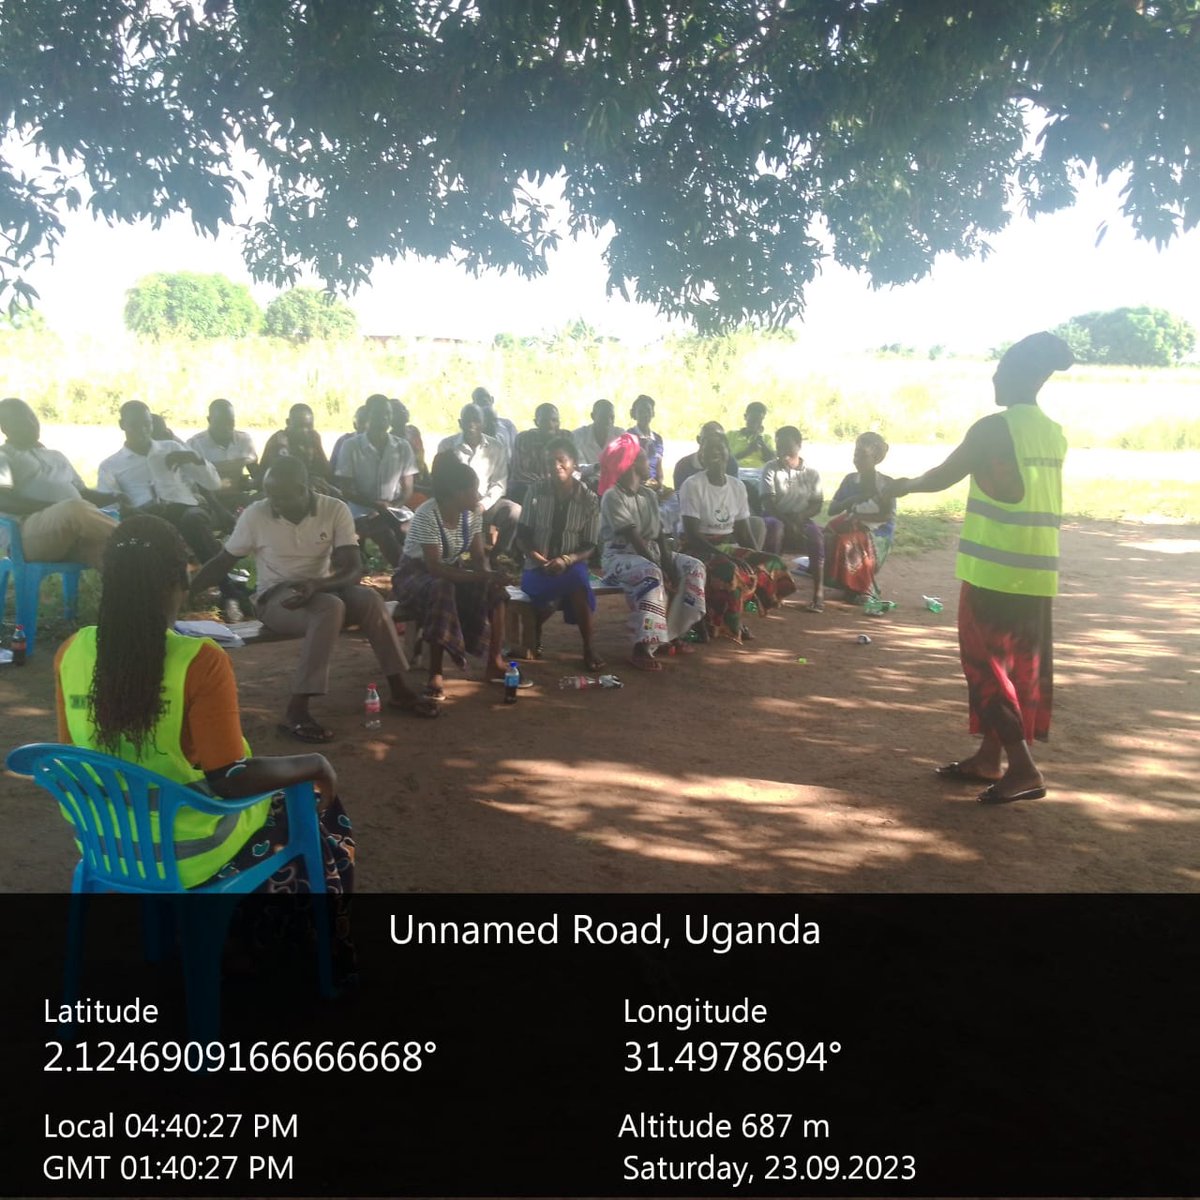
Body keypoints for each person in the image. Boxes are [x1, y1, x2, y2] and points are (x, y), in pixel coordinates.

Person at [53, 514, 354, 898]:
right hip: (190, 857)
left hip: (107, 848)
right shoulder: (198, 660)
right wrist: (313, 764)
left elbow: (71, 756)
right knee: (315, 812)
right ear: (178, 583)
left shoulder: (71, 651)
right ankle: (294, 935)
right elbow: (230, 780)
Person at [885, 331, 1073, 805]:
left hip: (993, 571)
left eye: (1001, 371)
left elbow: (943, 475)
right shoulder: (1053, 433)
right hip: (1035, 572)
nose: (994, 377)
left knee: (985, 669)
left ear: (1024, 376)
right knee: (1014, 670)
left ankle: (1024, 768)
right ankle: (990, 759)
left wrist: (901, 486)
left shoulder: (994, 428)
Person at [190, 457, 438, 742]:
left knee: (369, 599)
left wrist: (317, 584)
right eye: (270, 495)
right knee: (331, 608)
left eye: (281, 496)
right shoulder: (256, 514)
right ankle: (296, 710)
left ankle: (399, 689)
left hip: (321, 589)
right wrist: (188, 589)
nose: (274, 503)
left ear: (303, 489)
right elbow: (224, 561)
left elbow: (352, 569)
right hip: (275, 599)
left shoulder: (333, 509)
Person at [97, 400, 250, 618]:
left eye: (147, 424)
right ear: (122, 425)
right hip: (145, 515)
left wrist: (194, 459)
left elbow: (213, 484)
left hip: (184, 508)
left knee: (193, 519)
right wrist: (129, 507)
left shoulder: (171, 448)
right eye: (135, 425)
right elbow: (110, 506)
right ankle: (223, 592)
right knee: (157, 528)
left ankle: (227, 590)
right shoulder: (111, 465)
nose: (142, 430)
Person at [391, 454, 520, 701]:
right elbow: (435, 568)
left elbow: (479, 557)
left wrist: (488, 577)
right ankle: (435, 673)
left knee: (495, 593)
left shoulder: (471, 515)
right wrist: (479, 576)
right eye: (474, 490)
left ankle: (495, 661)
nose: (478, 496)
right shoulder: (427, 515)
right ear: (456, 493)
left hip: (451, 573)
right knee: (443, 588)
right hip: (415, 575)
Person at [598, 434, 706, 670]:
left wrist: (669, 565)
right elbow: (634, 539)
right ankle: (642, 646)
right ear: (632, 464)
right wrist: (662, 569)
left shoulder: (647, 495)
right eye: (646, 460)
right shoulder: (612, 497)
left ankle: (671, 633)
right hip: (619, 557)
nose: (652, 465)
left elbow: (657, 535)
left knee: (693, 567)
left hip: (651, 553)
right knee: (651, 574)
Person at [679, 429, 797, 640]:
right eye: (708, 450)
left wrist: (754, 554)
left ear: (728, 452)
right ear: (701, 456)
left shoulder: (737, 486)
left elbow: (742, 530)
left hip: (726, 545)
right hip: (697, 547)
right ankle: (726, 624)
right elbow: (692, 534)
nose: (715, 453)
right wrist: (727, 555)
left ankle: (744, 609)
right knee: (730, 570)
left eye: (719, 448)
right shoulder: (693, 485)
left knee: (771, 563)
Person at [514, 435, 605, 672]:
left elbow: (590, 544)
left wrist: (566, 560)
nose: (555, 467)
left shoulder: (588, 499)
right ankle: (540, 630)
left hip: (571, 564)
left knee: (575, 581)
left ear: (574, 462)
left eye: (561, 460)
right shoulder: (535, 491)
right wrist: (539, 559)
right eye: (549, 462)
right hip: (537, 565)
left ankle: (588, 646)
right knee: (563, 591)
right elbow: (522, 535)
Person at [0, 397, 118, 569]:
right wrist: (55, 508)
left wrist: (116, 497)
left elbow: (83, 493)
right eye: (20, 420)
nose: (30, 423)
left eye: (32, 417)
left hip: (72, 531)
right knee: (74, 509)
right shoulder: (3, 457)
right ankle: (135, 538)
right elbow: (4, 500)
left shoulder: (55, 455)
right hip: (26, 535)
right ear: (5, 428)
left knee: (115, 555)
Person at [334, 393, 417, 567]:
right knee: (383, 532)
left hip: (395, 508)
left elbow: (408, 487)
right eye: (379, 413)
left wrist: (394, 505)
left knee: (413, 530)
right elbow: (346, 490)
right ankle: (404, 572)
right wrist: (375, 505)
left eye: (388, 413)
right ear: (368, 415)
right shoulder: (351, 446)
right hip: (361, 510)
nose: (384, 418)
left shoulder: (402, 446)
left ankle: (419, 568)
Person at [437, 403, 521, 556]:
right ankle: (454, 556)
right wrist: (460, 502)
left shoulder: (496, 447)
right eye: (467, 420)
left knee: (514, 511)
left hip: (484, 502)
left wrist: (482, 505)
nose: (471, 424)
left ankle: (496, 554)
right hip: (455, 504)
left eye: (476, 420)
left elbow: (499, 484)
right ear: (460, 423)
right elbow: (440, 480)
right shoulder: (447, 446)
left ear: (484, 424)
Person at [824, 432, 897, 604]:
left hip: (879, 532)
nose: (857, 459)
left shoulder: (886, 483)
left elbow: (886, 516)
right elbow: (832, 510)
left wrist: (857, 515)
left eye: (863, 456)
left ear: (876, 458)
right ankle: (847, 584)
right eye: (855, 455)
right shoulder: (850, 480)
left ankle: (865, 588)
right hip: (855, 525)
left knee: (849, 541)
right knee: (829, 534)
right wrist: (850, 500)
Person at [759, 426, 826, 611]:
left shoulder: (812, 474)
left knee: (816, 537)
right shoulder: (770, 469)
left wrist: (800, 517)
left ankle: (818, 594)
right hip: (774, 515)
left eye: (787, 447)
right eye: (779, 446)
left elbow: (817, 504)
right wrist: (789, 522)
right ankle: (770, 590)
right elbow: (768, 503)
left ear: (799, 445)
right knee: (776, 529)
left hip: (800, 517)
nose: (782, 452)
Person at [188, 398, 258, 500]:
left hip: (239, 496)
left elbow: (255, 471)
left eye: (230, 422)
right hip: (209, 500)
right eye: (220, 422)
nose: (226, 427)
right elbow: (193, 482)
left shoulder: (244, 440)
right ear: (209, 420)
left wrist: (251, 484)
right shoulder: (195, 444)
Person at [260, 403, 333, 486]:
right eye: (300, 426)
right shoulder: (278, 441)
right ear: (288, 422)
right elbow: (281, 474)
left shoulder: (313, 438)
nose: (305, 430)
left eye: (309, 426)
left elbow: (327, 473)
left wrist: (318, 446)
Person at [508, 403, 561, 505]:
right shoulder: (524, 439)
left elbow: (574, 468)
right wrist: (545, 485)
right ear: (536, 422)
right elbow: (519, 472)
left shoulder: (566, 438)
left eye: (554, 420)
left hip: (559, 485)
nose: (550, 425)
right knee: (519, 489)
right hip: (529, 487)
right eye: (545, 421)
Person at [389, 398, 429, 498]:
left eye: (404, 408)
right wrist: (426, 490)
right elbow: (398, 479)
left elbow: (422, 462)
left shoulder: (413, 431)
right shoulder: (391, 441)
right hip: (407, 490)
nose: (403, 411)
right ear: (390, 418)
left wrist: (429, 482)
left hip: (422, 481)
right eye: (397, 411)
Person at [571, 398, 616, 486]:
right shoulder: (578, 436)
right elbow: (575, 469)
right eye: (603, 416)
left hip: (614, 486)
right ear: (592, 416)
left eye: (612, 417)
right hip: (585, 486)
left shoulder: (619, 435)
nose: (608, 420)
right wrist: (596, 467)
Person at [628, 394, 666, 492]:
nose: (645, 414)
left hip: (654, 484)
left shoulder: (657, 439)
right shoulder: (629, 436)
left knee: (673, 500)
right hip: (637, 485)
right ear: (634, 414)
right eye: (641, 411)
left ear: (653, 413)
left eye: (648, 411)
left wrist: (660, 484)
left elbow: (659, 467)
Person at [472, 386, 518, 459]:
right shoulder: (472, 428)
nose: (484, 399)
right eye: (480, 398)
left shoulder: (507, 425)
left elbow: (516, 450)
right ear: (474, 404)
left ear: (492, 399)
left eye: (487, 396)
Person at [727, 402, 774, 469]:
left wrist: (761, 441)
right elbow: (725, 459)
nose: (755, 423)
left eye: (759, 420)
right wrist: (747, 451)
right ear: (745, 417)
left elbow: (772, 460)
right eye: (753, 419)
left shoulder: (767, 438)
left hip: (759, 474)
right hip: (736, 471)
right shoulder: (731, 435)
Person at [329, 405, 368, 475]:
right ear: (354, 424)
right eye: (362, 422)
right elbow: (332, 468)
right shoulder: (343, 441)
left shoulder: (382, 444)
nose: (365, 426)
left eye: (369, 422)